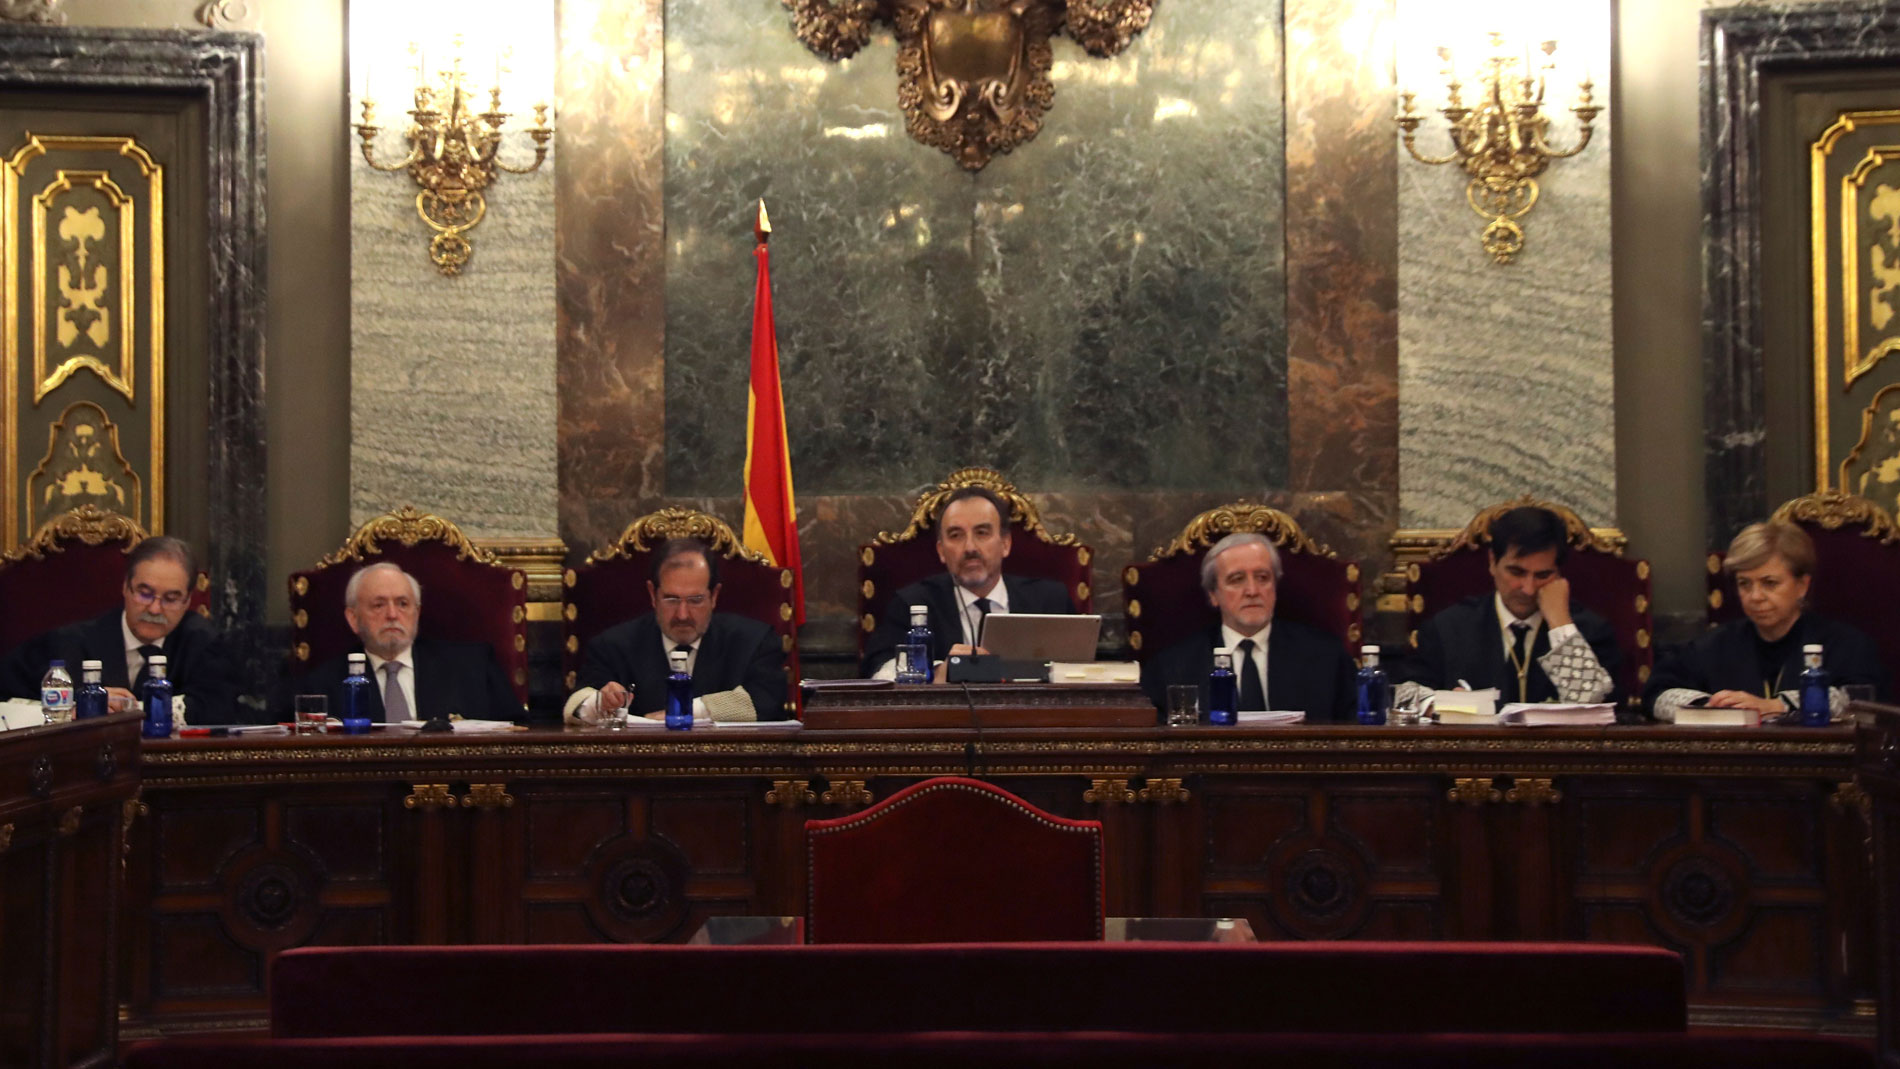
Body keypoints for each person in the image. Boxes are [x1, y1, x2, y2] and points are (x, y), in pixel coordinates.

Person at [1645, 521, 1886, 721]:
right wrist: (1709, 708)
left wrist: (1777, 706)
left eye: (1770, 583)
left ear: (1802, 585)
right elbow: (1656, 692)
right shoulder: (1714, 645)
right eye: (1744, 584)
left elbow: (1862, 703)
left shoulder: (1847, 645)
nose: (1755, 596)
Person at [1400, 505, 1622, 705]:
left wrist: (1560, 624)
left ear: (1559, 573)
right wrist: (1441, 704)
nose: (1528, 589)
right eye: (1516, 572)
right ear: (1492, 562)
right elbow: (1405, 695)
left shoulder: (1590, 631)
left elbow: (1592, 705)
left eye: (1543, 575)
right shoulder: (1449, 627)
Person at [2, 535, 237, 723]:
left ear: (187, 601)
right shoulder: (67, 643)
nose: (155, 609)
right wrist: (80, 708)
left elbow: (219, 711)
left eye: (171, 598)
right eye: (145, 593)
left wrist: (128, 711)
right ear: (125, 588)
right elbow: (7, 701)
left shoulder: (204, 644)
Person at [861, 486, 1077, 679]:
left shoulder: (1050, 601)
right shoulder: (912, 604)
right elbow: (879, 669)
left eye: (982, 533)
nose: (970, 547)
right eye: (956, 535)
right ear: (941, 551)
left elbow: (1083, 668)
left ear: (1005, 544)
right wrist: (937, 672)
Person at [1139, 533, 1357, 723]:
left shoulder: (1327, 658)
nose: (1252, 591)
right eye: (1237, 579)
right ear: (1213, 594)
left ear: (1275, 587)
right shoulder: (1172, 668)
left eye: (1262, 578)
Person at [566, 539, 789, 723]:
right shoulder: (613, 646)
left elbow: (766, 701)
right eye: (671, 599)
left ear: (714, 596)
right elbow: (575, 705)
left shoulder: (754, 641)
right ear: (653, 595)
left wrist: (689, 711)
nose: (682, 615)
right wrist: (600, 703)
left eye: (695, 600)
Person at [298, 561, 524, 722]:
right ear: (353, 618)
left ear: (417, 613)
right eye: (378, 605)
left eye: (403, 604)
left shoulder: (473, 667)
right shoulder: (322, 685)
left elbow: (517, 733)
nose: (392, 615)